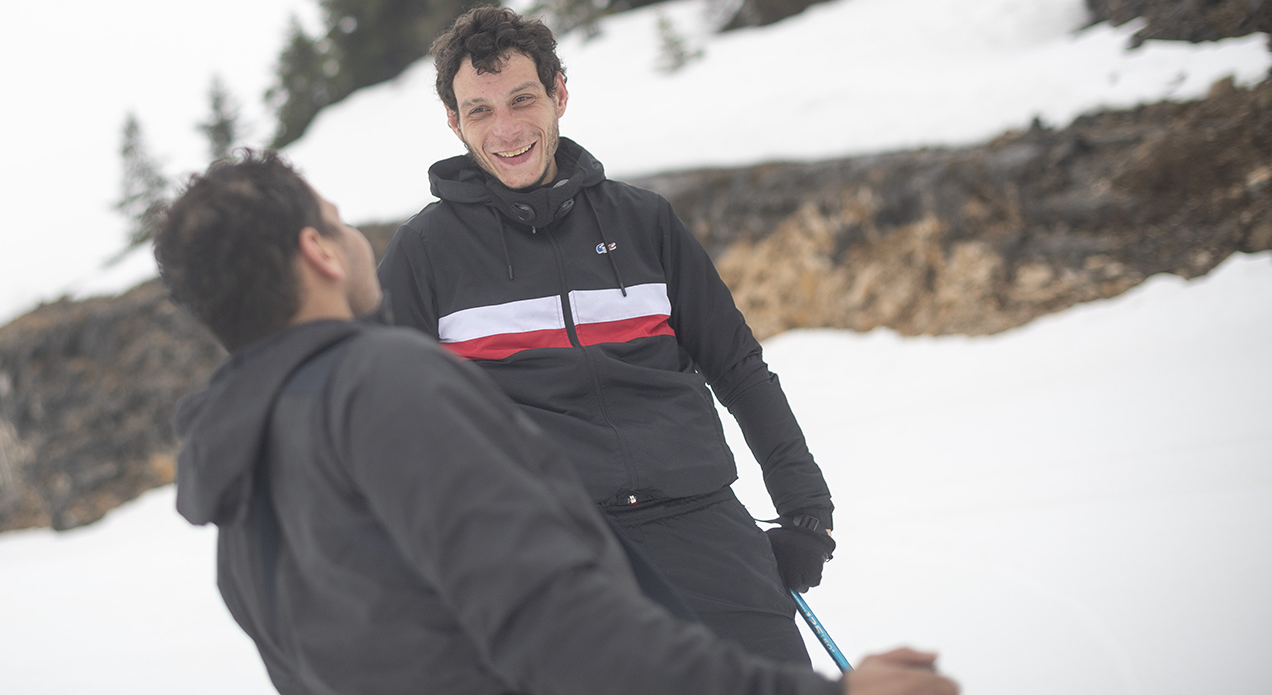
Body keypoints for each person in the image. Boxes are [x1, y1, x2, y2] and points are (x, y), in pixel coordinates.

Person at [155, 152, 959, 695]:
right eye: (339, 222)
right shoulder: (384, 382)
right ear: (319, 252)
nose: (361, 241)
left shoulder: (240, 483)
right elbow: (560, 626)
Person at [377, 5, 834, 664]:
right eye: (479, 110)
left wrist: (805, 510)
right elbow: (391, 429)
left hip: (701, 523)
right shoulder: (425, 254)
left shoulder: (644, 222)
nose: (505, 129)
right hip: (552, 553)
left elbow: (737, 366)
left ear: (559, 91)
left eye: (522, 99)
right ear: (454, 120)